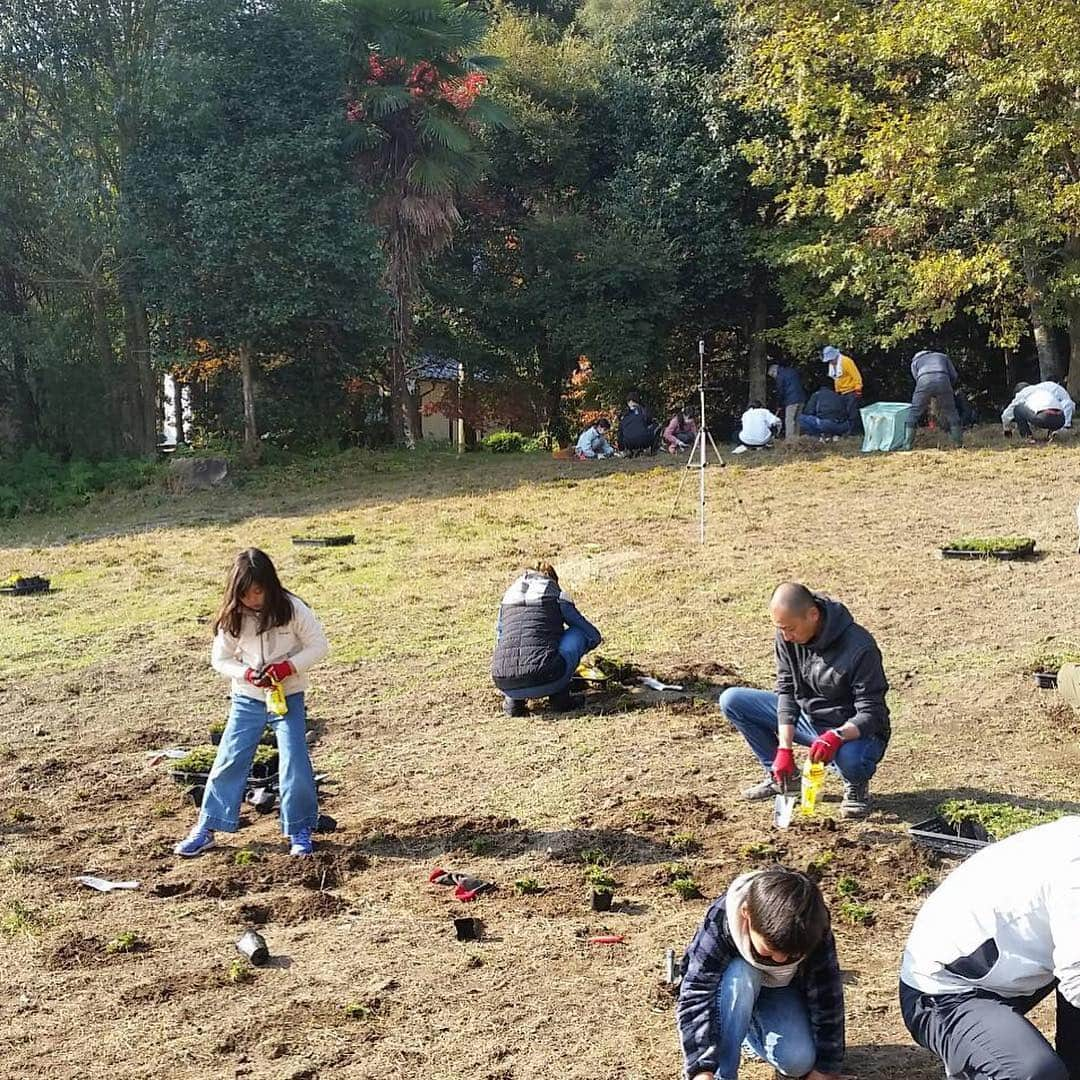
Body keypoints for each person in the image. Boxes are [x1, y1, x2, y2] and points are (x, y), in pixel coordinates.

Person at [174, 548, 329, 858]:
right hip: (247, 698)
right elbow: (220, 659)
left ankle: (299, 828)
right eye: (245, 594)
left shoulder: (292, 608)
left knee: (295, 759)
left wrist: (287, 668)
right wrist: (246, 673)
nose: (253, 600)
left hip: (288, 696)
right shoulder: (232, 617)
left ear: (269, 585)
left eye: (258, 592)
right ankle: (208, 826)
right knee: (230, 758)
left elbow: (319, 646)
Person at [900, 816, 1080, 1080]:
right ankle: (982, 1061)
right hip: (945, 992)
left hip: (1011, 965)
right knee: (1036, 1074)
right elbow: (1076, 979)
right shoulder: (1073, 871)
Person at [718, 582, 889, 819]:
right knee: (733, 700)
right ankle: (783, 778)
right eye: (781, 629)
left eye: (791, 629)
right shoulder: (787, 637)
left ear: (813, 615)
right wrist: (784, 748)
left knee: (851, 760)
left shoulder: (860, 648)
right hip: (810, 720)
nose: (786, 636)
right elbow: (786, 691)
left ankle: (856, 787)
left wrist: (836, 736)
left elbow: (872, 712)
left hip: (852, 731)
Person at [676, 865, 845, 1080]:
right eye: (771, 949)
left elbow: (827, 997)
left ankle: (750, 1032)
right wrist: (700, 1068)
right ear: (746, 914)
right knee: (742, 973)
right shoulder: (722, 918)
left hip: (779, 990)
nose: (780, 959)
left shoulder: (812, 925)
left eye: (792, 953)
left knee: (798, 1061)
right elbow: (696, 994)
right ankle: (722, 1073)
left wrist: (826, 1068)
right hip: (730, 992)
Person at [491, 561, 602, 716]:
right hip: (548, 676)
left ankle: (513, 702)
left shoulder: (507, 599)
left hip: (503, 680)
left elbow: (500, 638)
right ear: (554, 580)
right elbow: (592, 635)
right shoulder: (557, 596)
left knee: (510, 643)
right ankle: (560, 696)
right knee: (579, 633)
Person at [1001, 381, 1075, 442]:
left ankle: (1027, 437)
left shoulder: (1022, 393)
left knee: (1017, 408)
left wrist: (1006, 429)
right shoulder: (1043, 390)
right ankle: (1052, 433)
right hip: (1061, 419)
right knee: (1047, 409)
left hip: (1045, 417)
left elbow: (1006, 415)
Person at [822, 345, 863, 433]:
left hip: (851, 391)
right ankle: (846, 431)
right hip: (840, 392)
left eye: (831, 359)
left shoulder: (846, 361)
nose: (830, 361)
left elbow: (857, 376)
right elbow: (836, 379)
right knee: (843, 413)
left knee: (852, 413)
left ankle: (854, 433)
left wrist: (858, 389)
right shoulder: (832, 365)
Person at [768, 363, 807, 440]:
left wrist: (779, 404)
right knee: (797, 420)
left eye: (773, 376)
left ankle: (789, 441)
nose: (774, 378)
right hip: (801, 398)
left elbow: (780, 391)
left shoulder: (780, 376)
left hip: (791, 400)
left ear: (774, 371)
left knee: (789, 420)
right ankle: (796, 439)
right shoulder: (791, 371)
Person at [618, 389, 660, 456]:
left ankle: (629, 451)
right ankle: (653, 450)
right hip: (644, 440)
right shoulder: (643, 410)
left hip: (628, 442)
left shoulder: (624, 414)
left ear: (629, 402)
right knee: (657, 425)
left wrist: (621, 449)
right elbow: (650, 421)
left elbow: (620, 433)